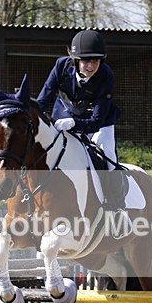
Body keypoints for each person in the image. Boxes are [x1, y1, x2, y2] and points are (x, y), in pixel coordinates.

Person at [36, 29, 125, 214]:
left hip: (99, 123)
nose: (91, 66)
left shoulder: (106, 75)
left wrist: (74, 124)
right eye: (86, 61)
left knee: (108, 154)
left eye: (96, 60)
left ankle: (117, 206)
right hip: (63, 115)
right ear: (76, 60)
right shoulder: (61, 66)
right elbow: (43, 100)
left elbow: (96, 121)